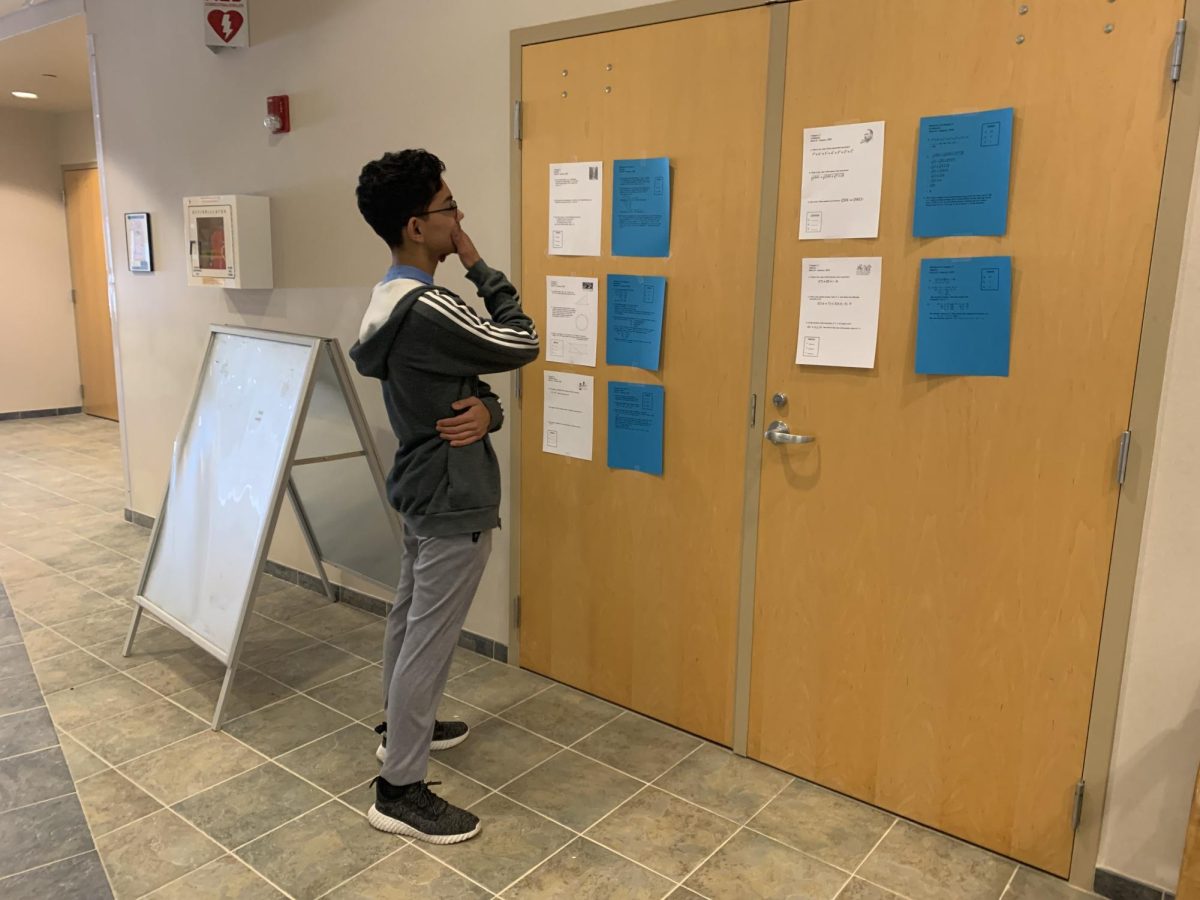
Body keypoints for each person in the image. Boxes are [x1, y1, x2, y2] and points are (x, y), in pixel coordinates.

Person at [349, 149, 539, 843]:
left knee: (408, 619)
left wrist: (487, 407)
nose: (459, 219)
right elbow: (522, 339)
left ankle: (400, 727)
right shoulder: (430, 305)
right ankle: (399, 788)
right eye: (448, 209)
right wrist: (481, 265)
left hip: (421, 481)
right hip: (452, 493)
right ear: (416, 226)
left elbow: (442, 381)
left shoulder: (390, 299)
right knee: (428, 639)